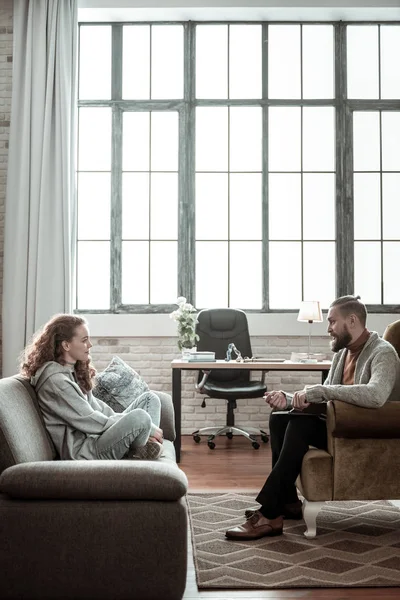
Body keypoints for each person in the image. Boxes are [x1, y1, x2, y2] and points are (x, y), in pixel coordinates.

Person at [226, 295, 400, 541]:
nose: (328, 328)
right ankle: (288, 502)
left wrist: (320, 391)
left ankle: (269, 514)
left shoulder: (383, 352)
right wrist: (288, 399)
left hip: (366, 432)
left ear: (352, 320)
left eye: (332, 322)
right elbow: (323, 399)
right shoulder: (343, 353)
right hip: (339, 425)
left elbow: (376, 395)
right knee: (279, 418)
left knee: (299, 425)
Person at [20, 314, 164, 461]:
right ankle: (138, 451)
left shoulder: (71, 371)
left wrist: (127, 425)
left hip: (97, 437)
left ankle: (141, 446)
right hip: (87, 450)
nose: (90, 345)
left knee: (150, 399)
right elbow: (90, 421)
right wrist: (147, 426)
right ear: (66, 345)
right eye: (84, 340)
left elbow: (99, 408)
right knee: (140, 417)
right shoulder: (56, 382)